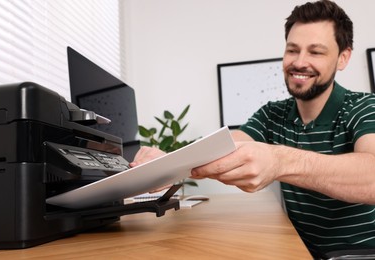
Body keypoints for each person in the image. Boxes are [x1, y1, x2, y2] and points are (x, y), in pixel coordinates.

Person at [130, 0, 375, 258]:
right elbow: (223, 149)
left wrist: (281, 160)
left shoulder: (364, 106)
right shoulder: (272, 114)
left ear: (343, 58)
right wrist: (167, 163)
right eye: (292, 50)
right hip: (300, 250)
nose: (299, 62)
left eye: (316, 52)